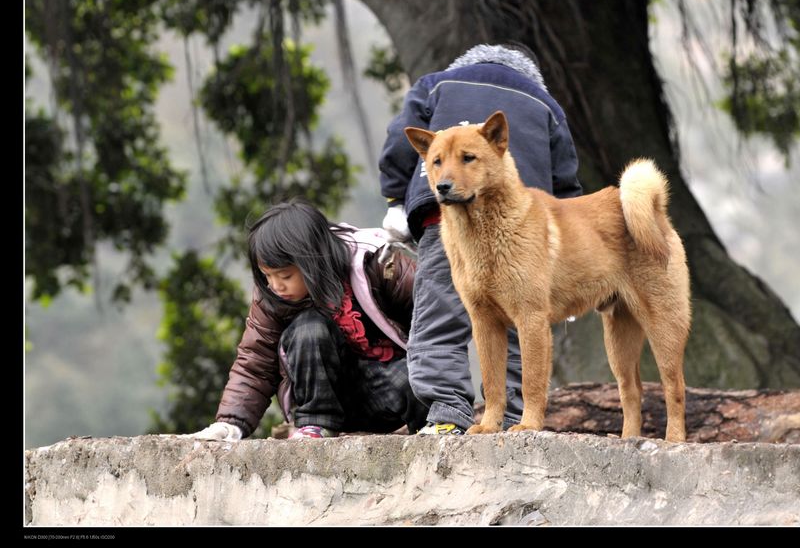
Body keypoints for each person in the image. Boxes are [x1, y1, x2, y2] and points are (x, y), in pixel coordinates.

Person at [379, 42, 582, 435]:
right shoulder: (545, 103)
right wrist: (569, 259)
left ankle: (446, 416)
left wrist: (394, 198)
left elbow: (396, 141)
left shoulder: (437, 85)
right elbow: (566, 182)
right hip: (526, 228)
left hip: (444, 217)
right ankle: (517, 420)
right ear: (529, 72)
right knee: (526, 324)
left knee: (440, 319)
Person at [185, 199, 427, 441]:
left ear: (313, 261)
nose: (275, 285)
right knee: (310, 329)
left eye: (285, 275)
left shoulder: (379, 262)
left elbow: (435, 317)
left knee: (415, 376)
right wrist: (230, 424)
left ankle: (431, 429)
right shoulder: (271, 295)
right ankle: (315, 428)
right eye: (267, 276)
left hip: (388, 395)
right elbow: (254, 363)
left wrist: (444, 401)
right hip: (321, 398)